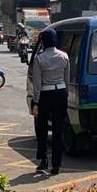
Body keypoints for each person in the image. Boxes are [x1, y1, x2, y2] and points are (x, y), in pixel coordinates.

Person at [30, 27, 70, 175]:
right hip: (60, 92)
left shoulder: (39, 58)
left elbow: (37, 84)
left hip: (45, 95)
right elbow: (66, 79)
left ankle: (43, 159)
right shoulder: (64, 56)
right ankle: (56, 165)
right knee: (58, 129)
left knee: (42, 128)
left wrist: (36, 102)